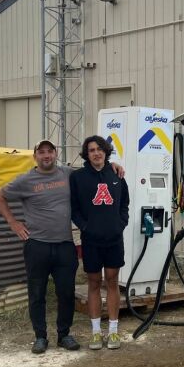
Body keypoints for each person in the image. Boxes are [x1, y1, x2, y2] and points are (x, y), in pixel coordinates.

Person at [0, 139, 124, 354]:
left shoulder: (68, 174)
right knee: (37, 293)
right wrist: (14, 223)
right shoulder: (25, 180)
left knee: (65, 293)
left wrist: (113, 165)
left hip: (64, 245)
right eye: (41, 152)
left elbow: (93, 168)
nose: (46, 156)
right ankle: (40, 337)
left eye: (50, 152)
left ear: (56, 154)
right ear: (35, 156)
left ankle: (64, 334)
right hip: (37, 244)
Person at [70, 135, 130, 351]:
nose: (96, 153)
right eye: (91, 150)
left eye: (99, 149)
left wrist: (120, 223)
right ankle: (96, 333)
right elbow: (74, 208)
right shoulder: (77, 177)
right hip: (91, 241)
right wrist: (85, 227)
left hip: (114, 239)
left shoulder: (116, 174)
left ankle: (113, 332)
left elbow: (125, 203)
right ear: (86, 154)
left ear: (106, 151)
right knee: (94, 283)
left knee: (112, 282)